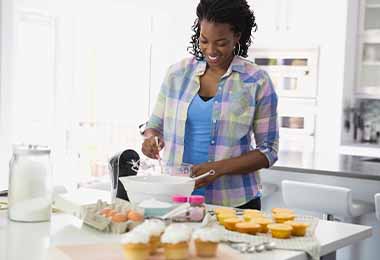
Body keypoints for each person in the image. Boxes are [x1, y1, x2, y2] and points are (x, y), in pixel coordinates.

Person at [142, 0, 279, 209]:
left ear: (237, 36)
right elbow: (154, 126)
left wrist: (217, 168)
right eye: (204, 40)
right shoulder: (177, 74)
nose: (211, 50)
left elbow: (268, 151)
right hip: (177, 198)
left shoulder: (256, 81)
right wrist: (151, 139)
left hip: (234, 202)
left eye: (221, 42)